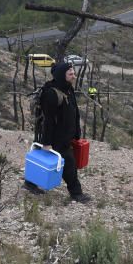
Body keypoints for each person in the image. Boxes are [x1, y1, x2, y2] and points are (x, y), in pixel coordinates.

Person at [38, 60, 90, 203]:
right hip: (56, 138)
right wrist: (47, 143)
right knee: (69, 164)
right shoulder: (52, 94)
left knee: (47, 162)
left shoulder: (68, 88)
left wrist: (76, 133)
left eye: (73, 73)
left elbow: (75, 112)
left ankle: (30, 182)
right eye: (70, 74)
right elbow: (48, 121)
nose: (74, 76)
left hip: (66, 136)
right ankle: (76, 193)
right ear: (62, 75)